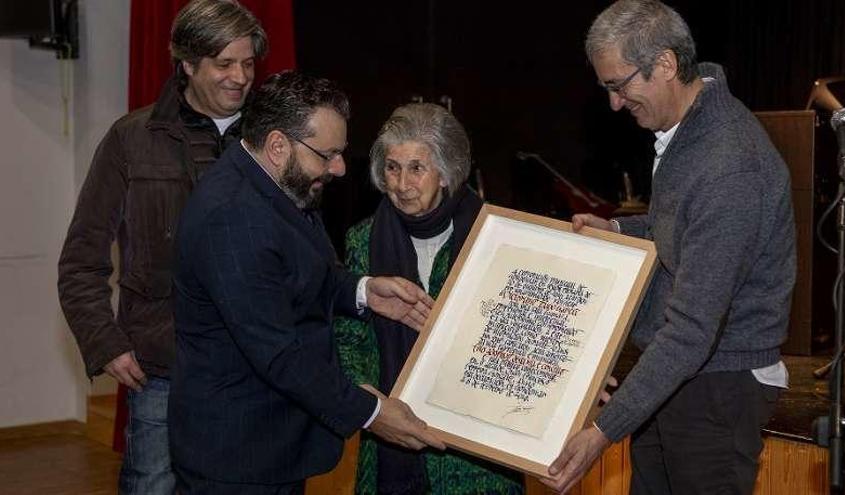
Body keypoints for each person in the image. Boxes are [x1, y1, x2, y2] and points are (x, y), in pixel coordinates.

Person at [542, 1, 796, 494]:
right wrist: (620, 232)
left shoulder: (729, 163)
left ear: (665, 65)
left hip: (717, 387)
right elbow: (684, 232)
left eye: (620, 85)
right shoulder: (687, 131)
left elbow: (694, 329)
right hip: (682, 379)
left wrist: (602, 431)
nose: (615, 103)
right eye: (607, 89)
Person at [169, 71, 445, 494]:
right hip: (238, 458)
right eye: (327, 154)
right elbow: (279, 355)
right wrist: (372, 412)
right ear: (278, 145)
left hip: (274, 446)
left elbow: (304, 273)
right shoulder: (231, 217)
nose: (337, 168)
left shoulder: (279, 183)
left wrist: (362, 291)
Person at [57, 1, 266, 493]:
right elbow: (81, 261)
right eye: (224, 63)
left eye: (249, 63)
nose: (240, 77)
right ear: (187, 64)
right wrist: (105, 343)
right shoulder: (131, 139)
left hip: (255, 368)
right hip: (162, 371)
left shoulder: (272, 140)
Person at [334, 103, 524, 494]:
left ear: (446, 172)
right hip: (389, 440)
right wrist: (369, 401)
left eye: (417, 168)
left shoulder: (496, 238)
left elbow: (524, 337)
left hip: (478, 451)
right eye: (392, 167)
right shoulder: (361, 240)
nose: (402, 184)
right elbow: (349, 337)